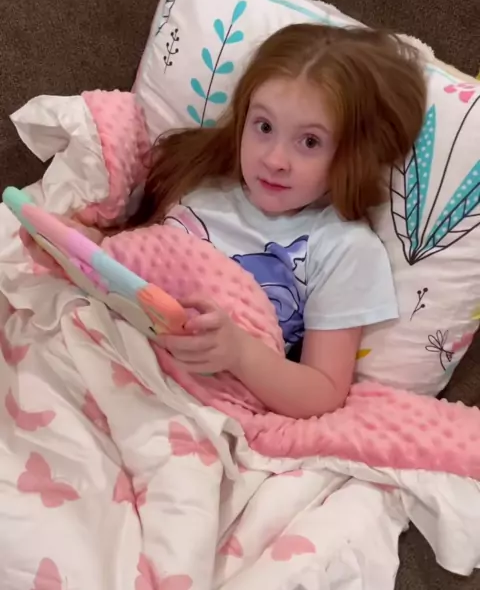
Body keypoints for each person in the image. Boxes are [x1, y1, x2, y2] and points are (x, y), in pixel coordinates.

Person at [128, 23, 427, 418]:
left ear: (354, 154)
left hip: (195, 405)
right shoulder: (201, 179)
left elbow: (323, 392)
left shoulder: (342, 247)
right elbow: (130, 254)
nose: (274, 160)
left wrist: (240, 353)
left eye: (310, 142)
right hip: (120, 348)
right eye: (264, 127)